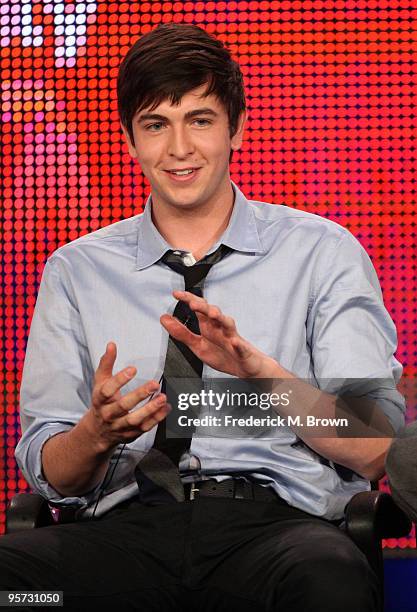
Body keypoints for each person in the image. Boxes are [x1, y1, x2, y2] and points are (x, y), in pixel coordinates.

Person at [1, 23, 406, 612]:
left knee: (330, 585)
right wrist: (95, 434)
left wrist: (265, 378)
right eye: (156, 125)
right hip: (122, 534)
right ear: (130, 141)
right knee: (18, 591)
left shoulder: (321, 251)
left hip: (277, 532)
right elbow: (53, 475)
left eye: (200, 119)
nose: (179, 149)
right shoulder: (76, 269)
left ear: (237, 128)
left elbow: (375, 448)